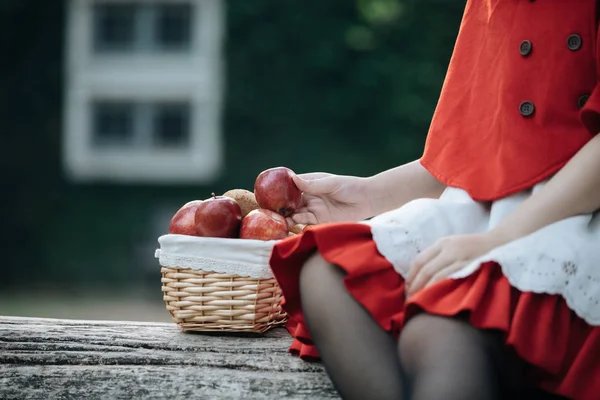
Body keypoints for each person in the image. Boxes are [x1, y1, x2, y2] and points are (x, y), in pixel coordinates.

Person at [267, 1, 600, 399]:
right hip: (488, 206)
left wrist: (498, 240)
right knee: (328, 273)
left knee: (442, 329)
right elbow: (481, 144)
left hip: (575, 212)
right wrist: (369, 193)